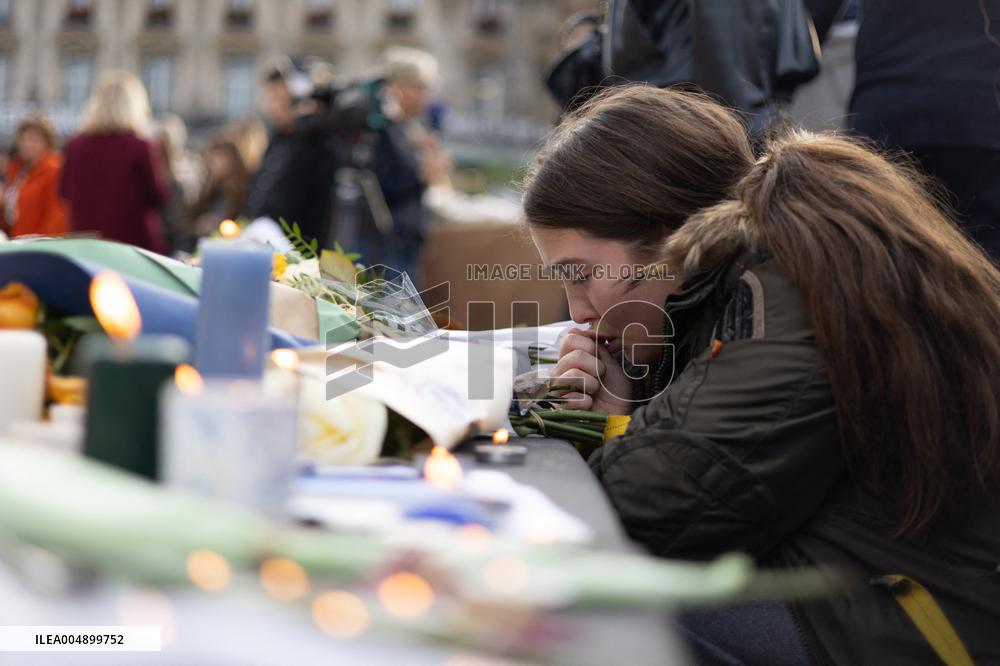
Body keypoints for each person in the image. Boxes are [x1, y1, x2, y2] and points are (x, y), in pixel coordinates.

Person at [522, 85, 1000, 664]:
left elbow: (657, 506)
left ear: (670, 237)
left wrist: (614, 426)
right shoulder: (751, 270)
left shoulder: (790, 283)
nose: (576, 311)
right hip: (864, 586)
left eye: (580, 273)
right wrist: (621, 411)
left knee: (560, 604)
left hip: (917, 622)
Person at [807, 0, 1000, 262]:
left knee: (890, 262)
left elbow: (809, 19)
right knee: (988, 263)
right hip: (981, 110)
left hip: (889, 108)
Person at [60, 71, 169, 254]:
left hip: (86, 241)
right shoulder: (140, 146)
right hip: (132, 245)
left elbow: (63, 192)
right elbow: (159, 194)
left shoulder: (75, 145)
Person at [243, 60, 337, 245]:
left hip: (300, 254)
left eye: (280, 98)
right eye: (271, 97)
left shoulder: (317, 141)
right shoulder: (277, 139)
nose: (273, 106)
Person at [0, 117, 69, 237]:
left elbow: (57, 215)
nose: (27, 144)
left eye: (34, 139)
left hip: (37, 245)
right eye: (24, 139)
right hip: (15, 241)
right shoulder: (16, 170)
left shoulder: (54, 170)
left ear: (47, 142)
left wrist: (42, 244)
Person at [188, 139, 250, 240]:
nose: (211, 165)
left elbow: (230, 221)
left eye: (215, 160)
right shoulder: (214, 187)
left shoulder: (237, 189)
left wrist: (213, 224)